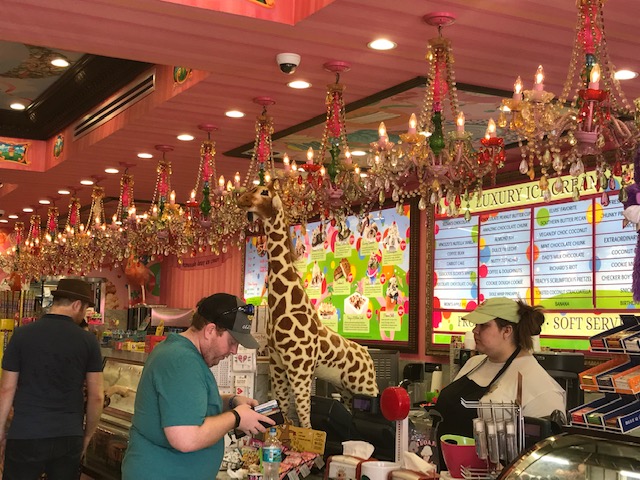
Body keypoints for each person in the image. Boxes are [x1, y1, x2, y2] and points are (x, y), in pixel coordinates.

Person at [122, 293, 274, 480]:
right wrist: (236, 418)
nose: (234, 351)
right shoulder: (182, 361)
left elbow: (186, 406)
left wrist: (231, 401)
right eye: (232, 342)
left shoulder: (181, 354)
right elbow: (186, 438)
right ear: (210, 330)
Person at [0, 278, 104, 479]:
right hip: (68, 435)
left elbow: (6, 389)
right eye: (85, 310)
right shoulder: (88, 341)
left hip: (26, 433)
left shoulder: (21, 335)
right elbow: (97, 396)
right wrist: (87, 436)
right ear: (76, 305)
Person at [434, 298, 565, 441]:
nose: (475, 330)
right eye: (476, 325)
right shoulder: (473, 363)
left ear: (507, 331)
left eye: (483, 325)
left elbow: (543, 449)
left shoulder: (539, 385)